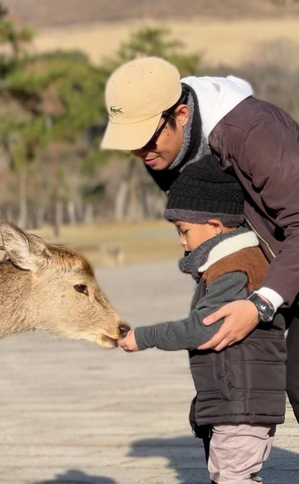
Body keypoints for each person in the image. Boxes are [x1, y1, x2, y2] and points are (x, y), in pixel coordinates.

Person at [101, 57, 299, 484]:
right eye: (132, 144)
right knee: (222, 373)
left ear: (181, 115)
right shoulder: (170, 144)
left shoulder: (252, 131)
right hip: (263, 260)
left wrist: (260, 303)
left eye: (148, 141)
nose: (143, 153)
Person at [118, 155, 286, 484]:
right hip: (237, 402)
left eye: (184, 230)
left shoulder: (233, 267)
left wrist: (144, 337)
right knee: (231, 476)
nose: (181, 240)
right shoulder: (229, 264)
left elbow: (201, 329)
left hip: (242, 404)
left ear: (213, 225)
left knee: (232, 478)